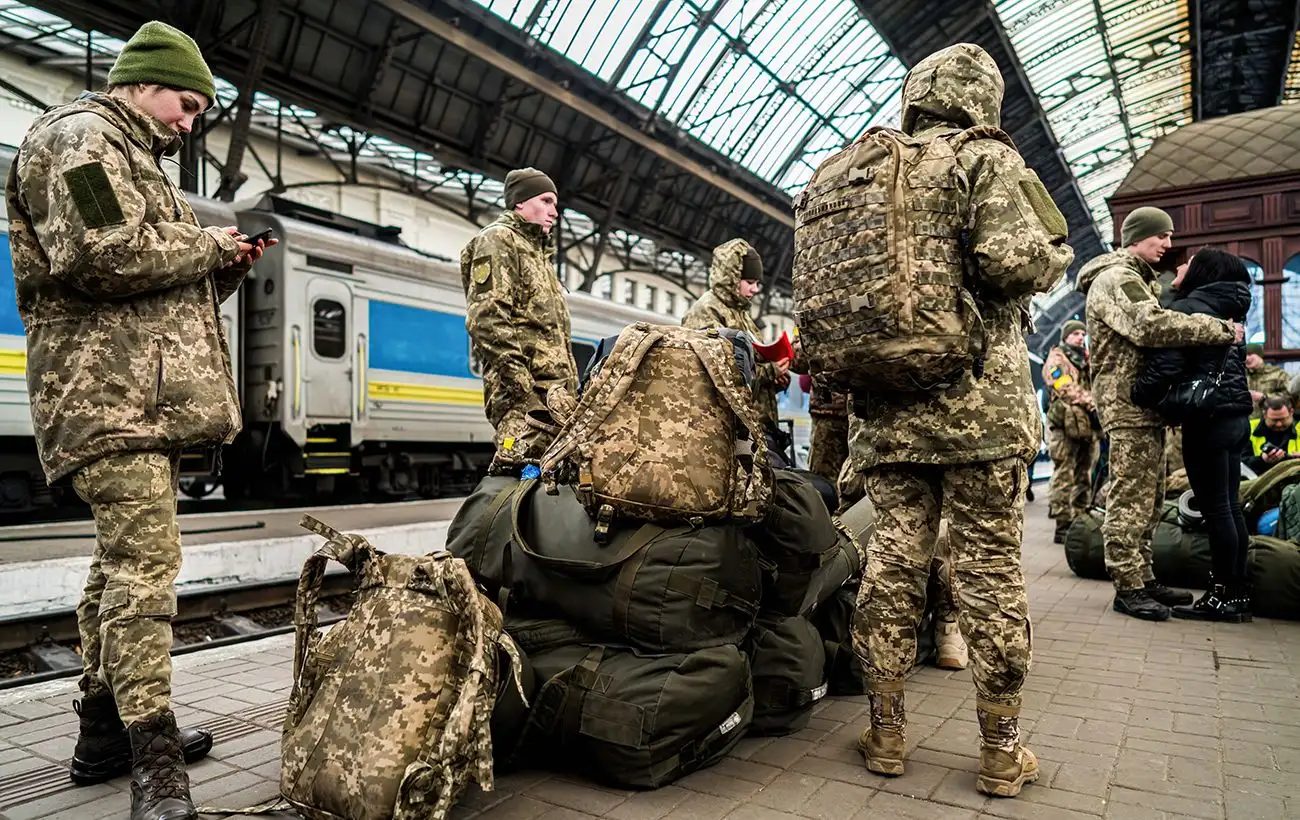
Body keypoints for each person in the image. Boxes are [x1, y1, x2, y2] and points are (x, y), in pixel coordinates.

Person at [4, 20, 273, 820]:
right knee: (145, 573)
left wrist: (218, 269)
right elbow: (104, 257)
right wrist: (207, 247)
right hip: (106, 400)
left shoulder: (132, 158)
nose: (191, 123)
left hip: (137, 398)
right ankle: (155, 761)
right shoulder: (84, 140)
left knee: (114, 569)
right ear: (141, 82)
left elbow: (153, 294)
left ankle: (101, 733)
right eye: (186, 104)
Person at [846, 43, 1074, 798]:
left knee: (892, 568)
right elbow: (1015, 264)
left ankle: (884, 731)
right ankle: (1001, 751)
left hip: (886, 414)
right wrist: (1054, 252)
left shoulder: (862, 169)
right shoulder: (984, 160)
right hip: (979, 414)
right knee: (989, 576)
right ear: (983, 97)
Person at [1077, 208, 1243, 621]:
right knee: (1130, 497)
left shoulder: (1139, 279)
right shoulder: (1117, 279)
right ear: (1135, 237)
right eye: (1161, 237)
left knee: (1149, 498)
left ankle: (1144, 575)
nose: (1168, 245)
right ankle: (1127, 585)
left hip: (1146, 405)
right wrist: (1219, 330)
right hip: (1128, 404)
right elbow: (1149, 326)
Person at [1132, 249, 1254, 621]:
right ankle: (1236, 594)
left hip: (1208, 421)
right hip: (1235, 417)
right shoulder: (1232, 309)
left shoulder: (1188, 310)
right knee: (1231, 507)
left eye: (1187, 263)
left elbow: (1169, 362)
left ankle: (1221, 598)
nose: (1179, 267)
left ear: (1203, 271)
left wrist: (1139, 392)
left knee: (1216, 509)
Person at [460, 167, 578, 474]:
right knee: (516, 479)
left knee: (545, 490)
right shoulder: (499, 241)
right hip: (527, 402)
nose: (555, 212)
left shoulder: (537, 255)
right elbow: (486, 318)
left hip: (553, 400)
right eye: (547, 201)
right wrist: (523, 388)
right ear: (520, 203)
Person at [682, 239, 791, 463]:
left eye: (758, 282)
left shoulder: (741, 314)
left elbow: (749, 365)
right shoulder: (707, 311)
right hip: (729, 431)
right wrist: (769, 372)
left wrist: (774, 380)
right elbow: (717, 372)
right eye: (750, 281)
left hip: (752, 425)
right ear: (731, 277)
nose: (755, 289)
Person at [1042, 319, 1097, 542]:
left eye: (1083, 333)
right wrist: (1091, 401)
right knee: (1064, 473)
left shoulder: (1087, 358)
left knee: (1085, 473)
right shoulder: (1057, 359)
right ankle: (1062, 524)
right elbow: (1063, 385)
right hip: (1065, 424)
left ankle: (1080, 518)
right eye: (1075, 334)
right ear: (1065, 337)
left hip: (1087, 425)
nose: (1080, 337)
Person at [1243, 395, 1300, 475]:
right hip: (1259, 482)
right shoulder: (1249, 429)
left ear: (1291, 412)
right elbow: (1239, 463)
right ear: (1265, 415)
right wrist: (1262, 459)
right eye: (1274, 420)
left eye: (1283, 419)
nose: (1279, 424)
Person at [1244, 344, 1291, 418]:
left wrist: (1264, 397)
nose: (1247, 358)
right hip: (1246, 424)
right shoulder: (1240, 377)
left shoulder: (1278, 374)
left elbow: (1289, 396)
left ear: (1259, 355)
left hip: (1272, 422)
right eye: (1244, 355)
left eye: (1250, 354)